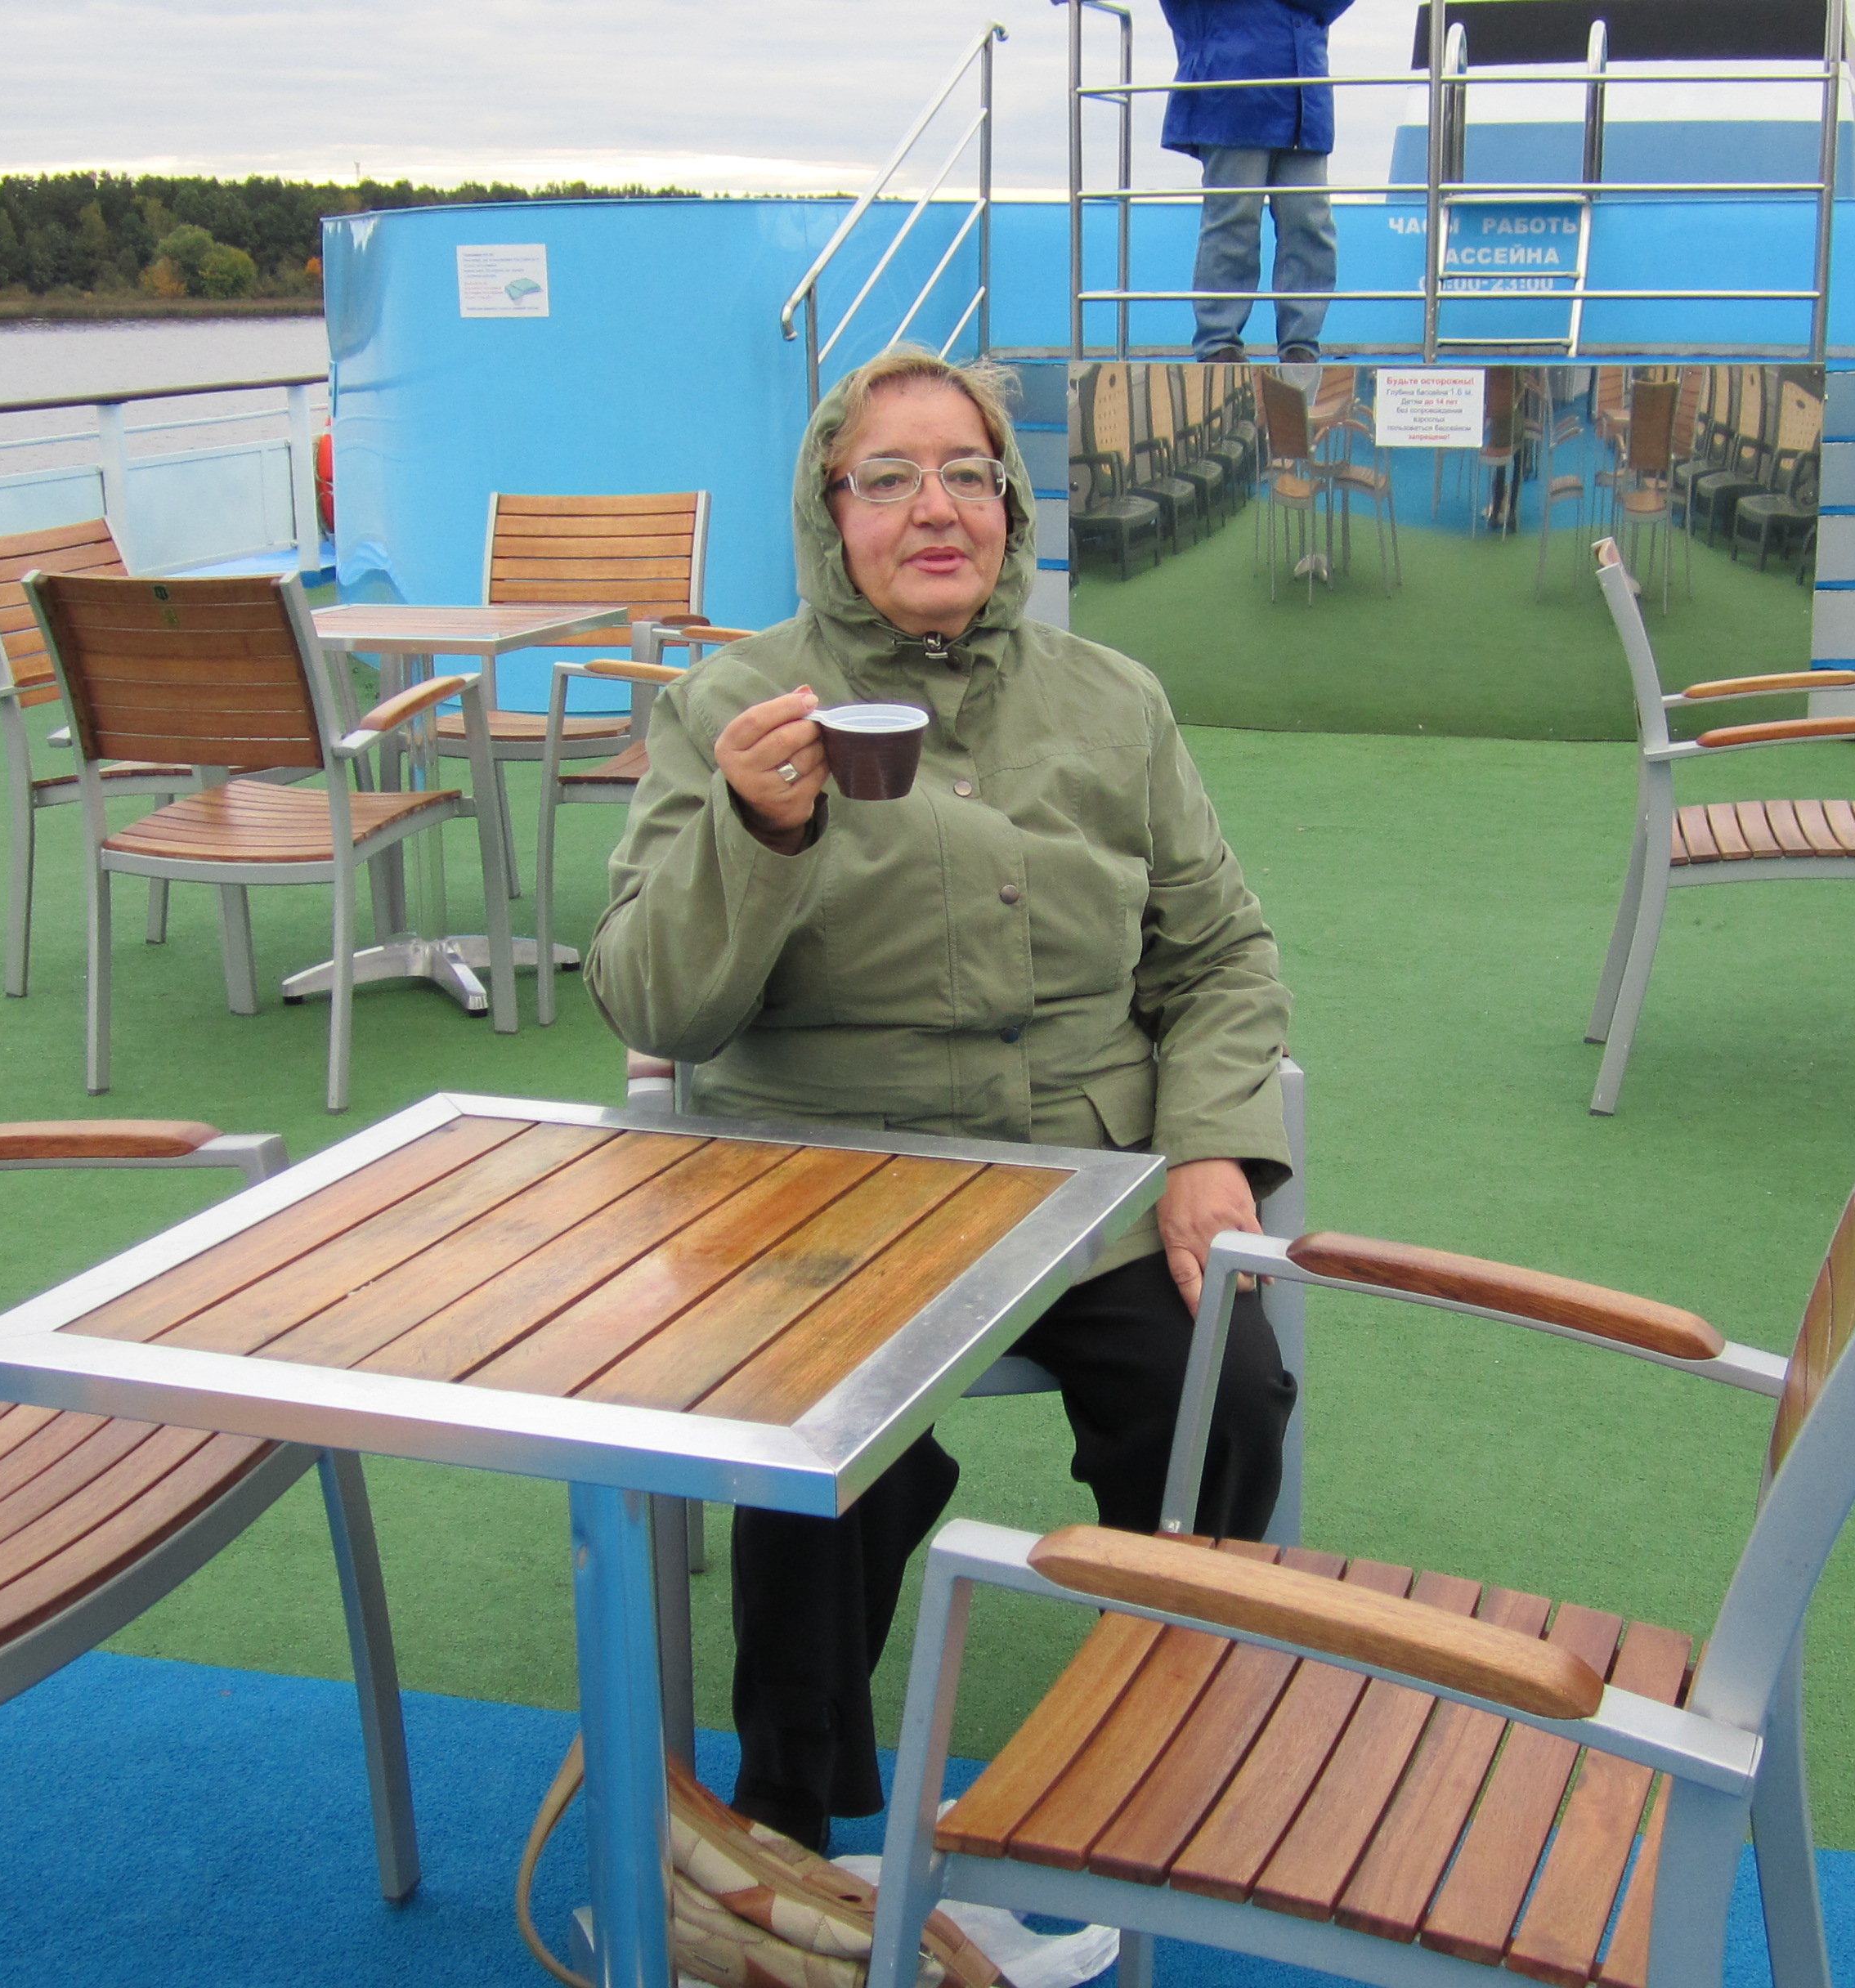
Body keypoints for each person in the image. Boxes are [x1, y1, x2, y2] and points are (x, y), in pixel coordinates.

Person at [589, 349, 1298, 1854]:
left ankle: (1164, 1737)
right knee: (825, 1449)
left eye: (969, 473)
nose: (936, 508)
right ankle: (784, 1816)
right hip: (832, 1180)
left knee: (1218, 1393)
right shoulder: (732, 706)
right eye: (889, 477)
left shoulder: (1112, 703)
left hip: (1082, 1174)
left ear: (1012, 506)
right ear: (827, 510)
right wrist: (755, 831)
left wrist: (1212, 1147)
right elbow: (655, 1009)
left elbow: (1221, 954)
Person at [1162, 0, 1357, 362]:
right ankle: (1218, 343)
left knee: (1310, 222)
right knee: (1234, 220)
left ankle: (1300, 345)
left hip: (1302, 95)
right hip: (1233, 89)